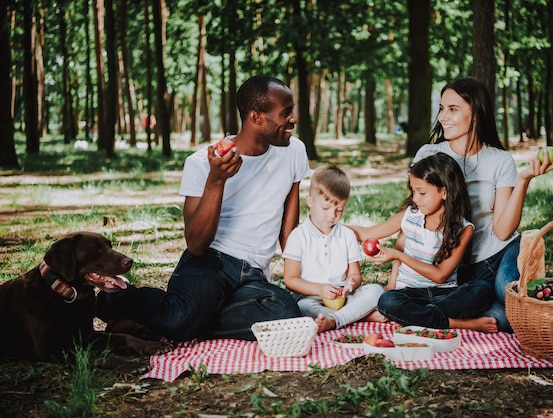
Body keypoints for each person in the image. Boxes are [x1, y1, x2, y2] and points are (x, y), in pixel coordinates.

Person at [97, 75, 310, 341]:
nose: (294, 119)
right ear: (256, 117)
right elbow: (197, 244)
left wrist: (309, 274)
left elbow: (288, 231)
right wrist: (216, 181)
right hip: (210, 262)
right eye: (286, 113)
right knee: (180, 320)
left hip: (254, 276)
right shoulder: (200, 163)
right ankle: (116, 300)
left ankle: (178, 321)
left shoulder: (294, 151)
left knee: (285, 313)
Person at [412, 77, 553, 332]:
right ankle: (501, 313)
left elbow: (502, 231)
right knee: (500, 317)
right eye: (442, 108)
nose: (443, 117)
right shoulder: (428, 154)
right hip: (459, 265)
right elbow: (413, 216)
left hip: (497, 252)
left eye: (453, 109)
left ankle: (519, 308)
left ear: (476, 113)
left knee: (506, 290)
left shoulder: (500, 160)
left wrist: (523, 179)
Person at [352, 153, 497, 331]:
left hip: (444, 294)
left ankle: (416, 318)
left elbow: (440, 275)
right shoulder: (410, 215)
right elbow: (368, 233)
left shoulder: (463, 228)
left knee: (482, 290)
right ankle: (456, 323)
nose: (415, 198)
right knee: (387, 301)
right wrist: (328, 225)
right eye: (413, 191)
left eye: (422, 192)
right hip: (410, 292)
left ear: (444, 191)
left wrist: (398, 255)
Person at [282, 165, 386, 333]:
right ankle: (359, 316)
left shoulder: (347, 235)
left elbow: (355, 274)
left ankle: (335, 319)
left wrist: (352, 283)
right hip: (310, 297)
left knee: (376, 290)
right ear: (310, 202)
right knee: (302, 307)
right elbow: (290, 280)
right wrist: (319, 289)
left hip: (343, 296)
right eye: (325, 208)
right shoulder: (298, 236)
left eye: (339, 210)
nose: (332, 215)